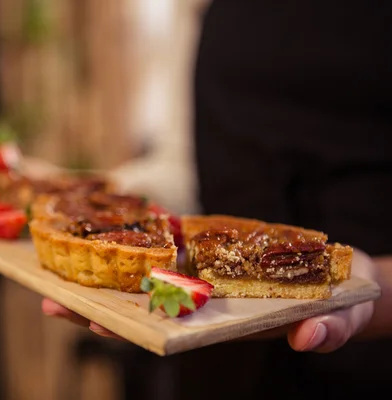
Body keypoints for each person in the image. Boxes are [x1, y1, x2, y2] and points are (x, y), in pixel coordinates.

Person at [42, 1, 392, 398]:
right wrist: (96, 198)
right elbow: (186, 165)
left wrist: (376, 283)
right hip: (214, 350)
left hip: (370, 366)